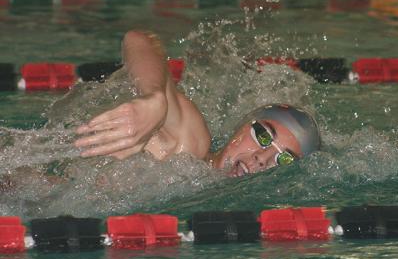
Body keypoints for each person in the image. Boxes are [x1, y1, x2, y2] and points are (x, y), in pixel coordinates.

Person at [74, 30, 321, 177]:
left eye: (284, 160)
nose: (261, 159)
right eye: (264, 136)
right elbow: (138, 39)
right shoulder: (187, 143)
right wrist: (155, 99)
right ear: (243, 127)